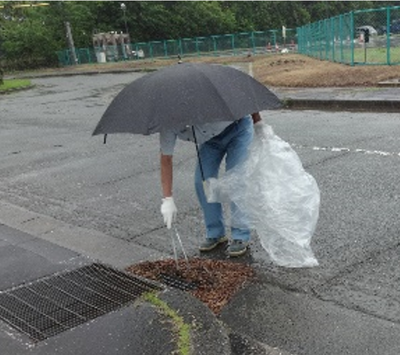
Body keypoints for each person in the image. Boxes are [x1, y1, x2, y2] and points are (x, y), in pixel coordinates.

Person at [160, 112, 261, 257]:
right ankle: (215, 233)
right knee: (201, 181)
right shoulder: (167, 123)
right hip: (210, 141)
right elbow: (166, 160)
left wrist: (258, 122)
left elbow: (243, 95)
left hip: (238, 129)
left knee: (238, 181)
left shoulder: (207, 97)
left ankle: (240, 234)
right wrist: (167, 199)